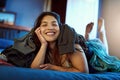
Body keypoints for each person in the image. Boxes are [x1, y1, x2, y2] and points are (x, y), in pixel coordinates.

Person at [1, 12, 89, 73]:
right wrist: (44, 44)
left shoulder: (71, 45)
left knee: (95, 44)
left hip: (90, 52)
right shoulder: (35, 45)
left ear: (60, 28)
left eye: (54, 24)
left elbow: (84, 71)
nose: (50, 28)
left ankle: (90, 35)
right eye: (44, 25)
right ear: (38, 30)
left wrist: (54, 67)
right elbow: (35, 69)